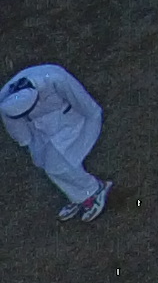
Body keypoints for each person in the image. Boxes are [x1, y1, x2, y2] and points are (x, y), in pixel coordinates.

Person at [0, 62, 109, 220]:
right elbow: (18, 130)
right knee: (48, 163)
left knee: (58, 165)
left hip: (69, 120)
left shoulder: (56, 78)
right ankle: (78, 195)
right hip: (39, 130)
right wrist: (29, 143)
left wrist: (91, 121)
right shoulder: (5, 102)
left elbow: (83, 102)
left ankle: (93, 190)